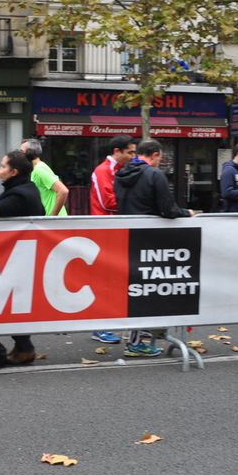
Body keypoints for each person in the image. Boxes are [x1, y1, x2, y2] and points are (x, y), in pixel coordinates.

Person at [114, 138, 194, 358]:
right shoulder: (154, 175)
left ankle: (137, 334)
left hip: (126, 235)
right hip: (151, 239)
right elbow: (167, 209)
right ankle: (136, 341)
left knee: (135, 287)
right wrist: (187, 213)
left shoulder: (120, 174)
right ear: (156, 155)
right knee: (146, 288)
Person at [0, 150, 44, 364]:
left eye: (3, 166)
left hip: (18, 256)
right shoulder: (23, 188)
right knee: (14, 302)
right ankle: (22, 346)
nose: (0, 169)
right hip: (19, 254)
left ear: (13, 171)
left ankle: (25, 347)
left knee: (13, 302)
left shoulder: (20, 194)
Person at [89, 135, 137, 344]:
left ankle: (113, 323)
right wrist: (137, 202)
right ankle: (99, 327)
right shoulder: (102, 171)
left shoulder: (121, 170)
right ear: (117, 151)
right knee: (104, 280)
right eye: (130, 152)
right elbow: (106, 202)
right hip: (105, 232)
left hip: (119, 230)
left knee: (118, 279)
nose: (133, 157)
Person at [20, 138, 68, 216]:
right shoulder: (35, 169)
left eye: (21, 151)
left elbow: (63, 191)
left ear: (30, 153)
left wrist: (53, 216)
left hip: (53, 223)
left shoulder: (40, 170)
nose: (19, 155)